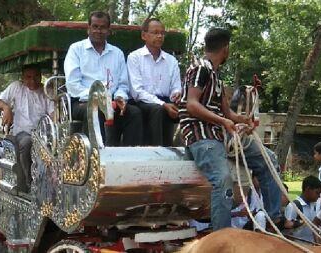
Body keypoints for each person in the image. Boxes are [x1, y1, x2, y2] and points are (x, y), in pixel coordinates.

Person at [178, 28, 281, 230]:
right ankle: (221, 236)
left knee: (269, 160)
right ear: (225, 49)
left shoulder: (217, 76)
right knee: (223, 180)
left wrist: (242, 120)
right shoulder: (201, 68)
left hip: (220, 134)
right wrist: (223, 121)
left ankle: (272, 220)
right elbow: (192, 104)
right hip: (201, 134)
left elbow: (228, 114)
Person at [64, 11, 143, 146]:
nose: (99, 31)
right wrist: (99, 100)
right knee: (95, 111)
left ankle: (129, 157)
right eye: (95, 27)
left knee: (134, 113)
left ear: (109, 30)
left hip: (112, 101)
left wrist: (120, 97)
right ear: (88, 29)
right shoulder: (76, 49)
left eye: (103, 27)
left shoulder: (117, 53)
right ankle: (96, 158)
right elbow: (73, 85)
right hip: (82, 102)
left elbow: (123, 85)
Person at [0, 64, 54, 193]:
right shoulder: (16, 87)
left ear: (40, 76)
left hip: (44, 134)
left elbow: (53, 114)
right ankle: (29, 181)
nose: (32, 81)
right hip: (22, 133)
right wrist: (6, 107)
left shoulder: (46, 91)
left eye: (36, 77)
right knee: (28, 143)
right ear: (22, 77)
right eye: (28, 77)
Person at [127, 18, 181, 146]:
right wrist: (163, 104)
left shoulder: (171, 60)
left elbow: (176, 86)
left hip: (166, 101)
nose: (159, 36)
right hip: (142, 102)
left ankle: (187, 151)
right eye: (155, 32)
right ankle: (157, 152)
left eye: (162, 33)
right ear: (144, 35)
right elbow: (137, 92)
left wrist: (177, 94)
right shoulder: (134, 57)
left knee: (191, 108)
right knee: (157, 110)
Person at [284, 175, 321, 243]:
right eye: (317, 193)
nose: (319, 196)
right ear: (307, 189)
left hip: (311, 246)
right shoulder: (294, 206)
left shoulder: (314, 206)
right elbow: (287, 231)